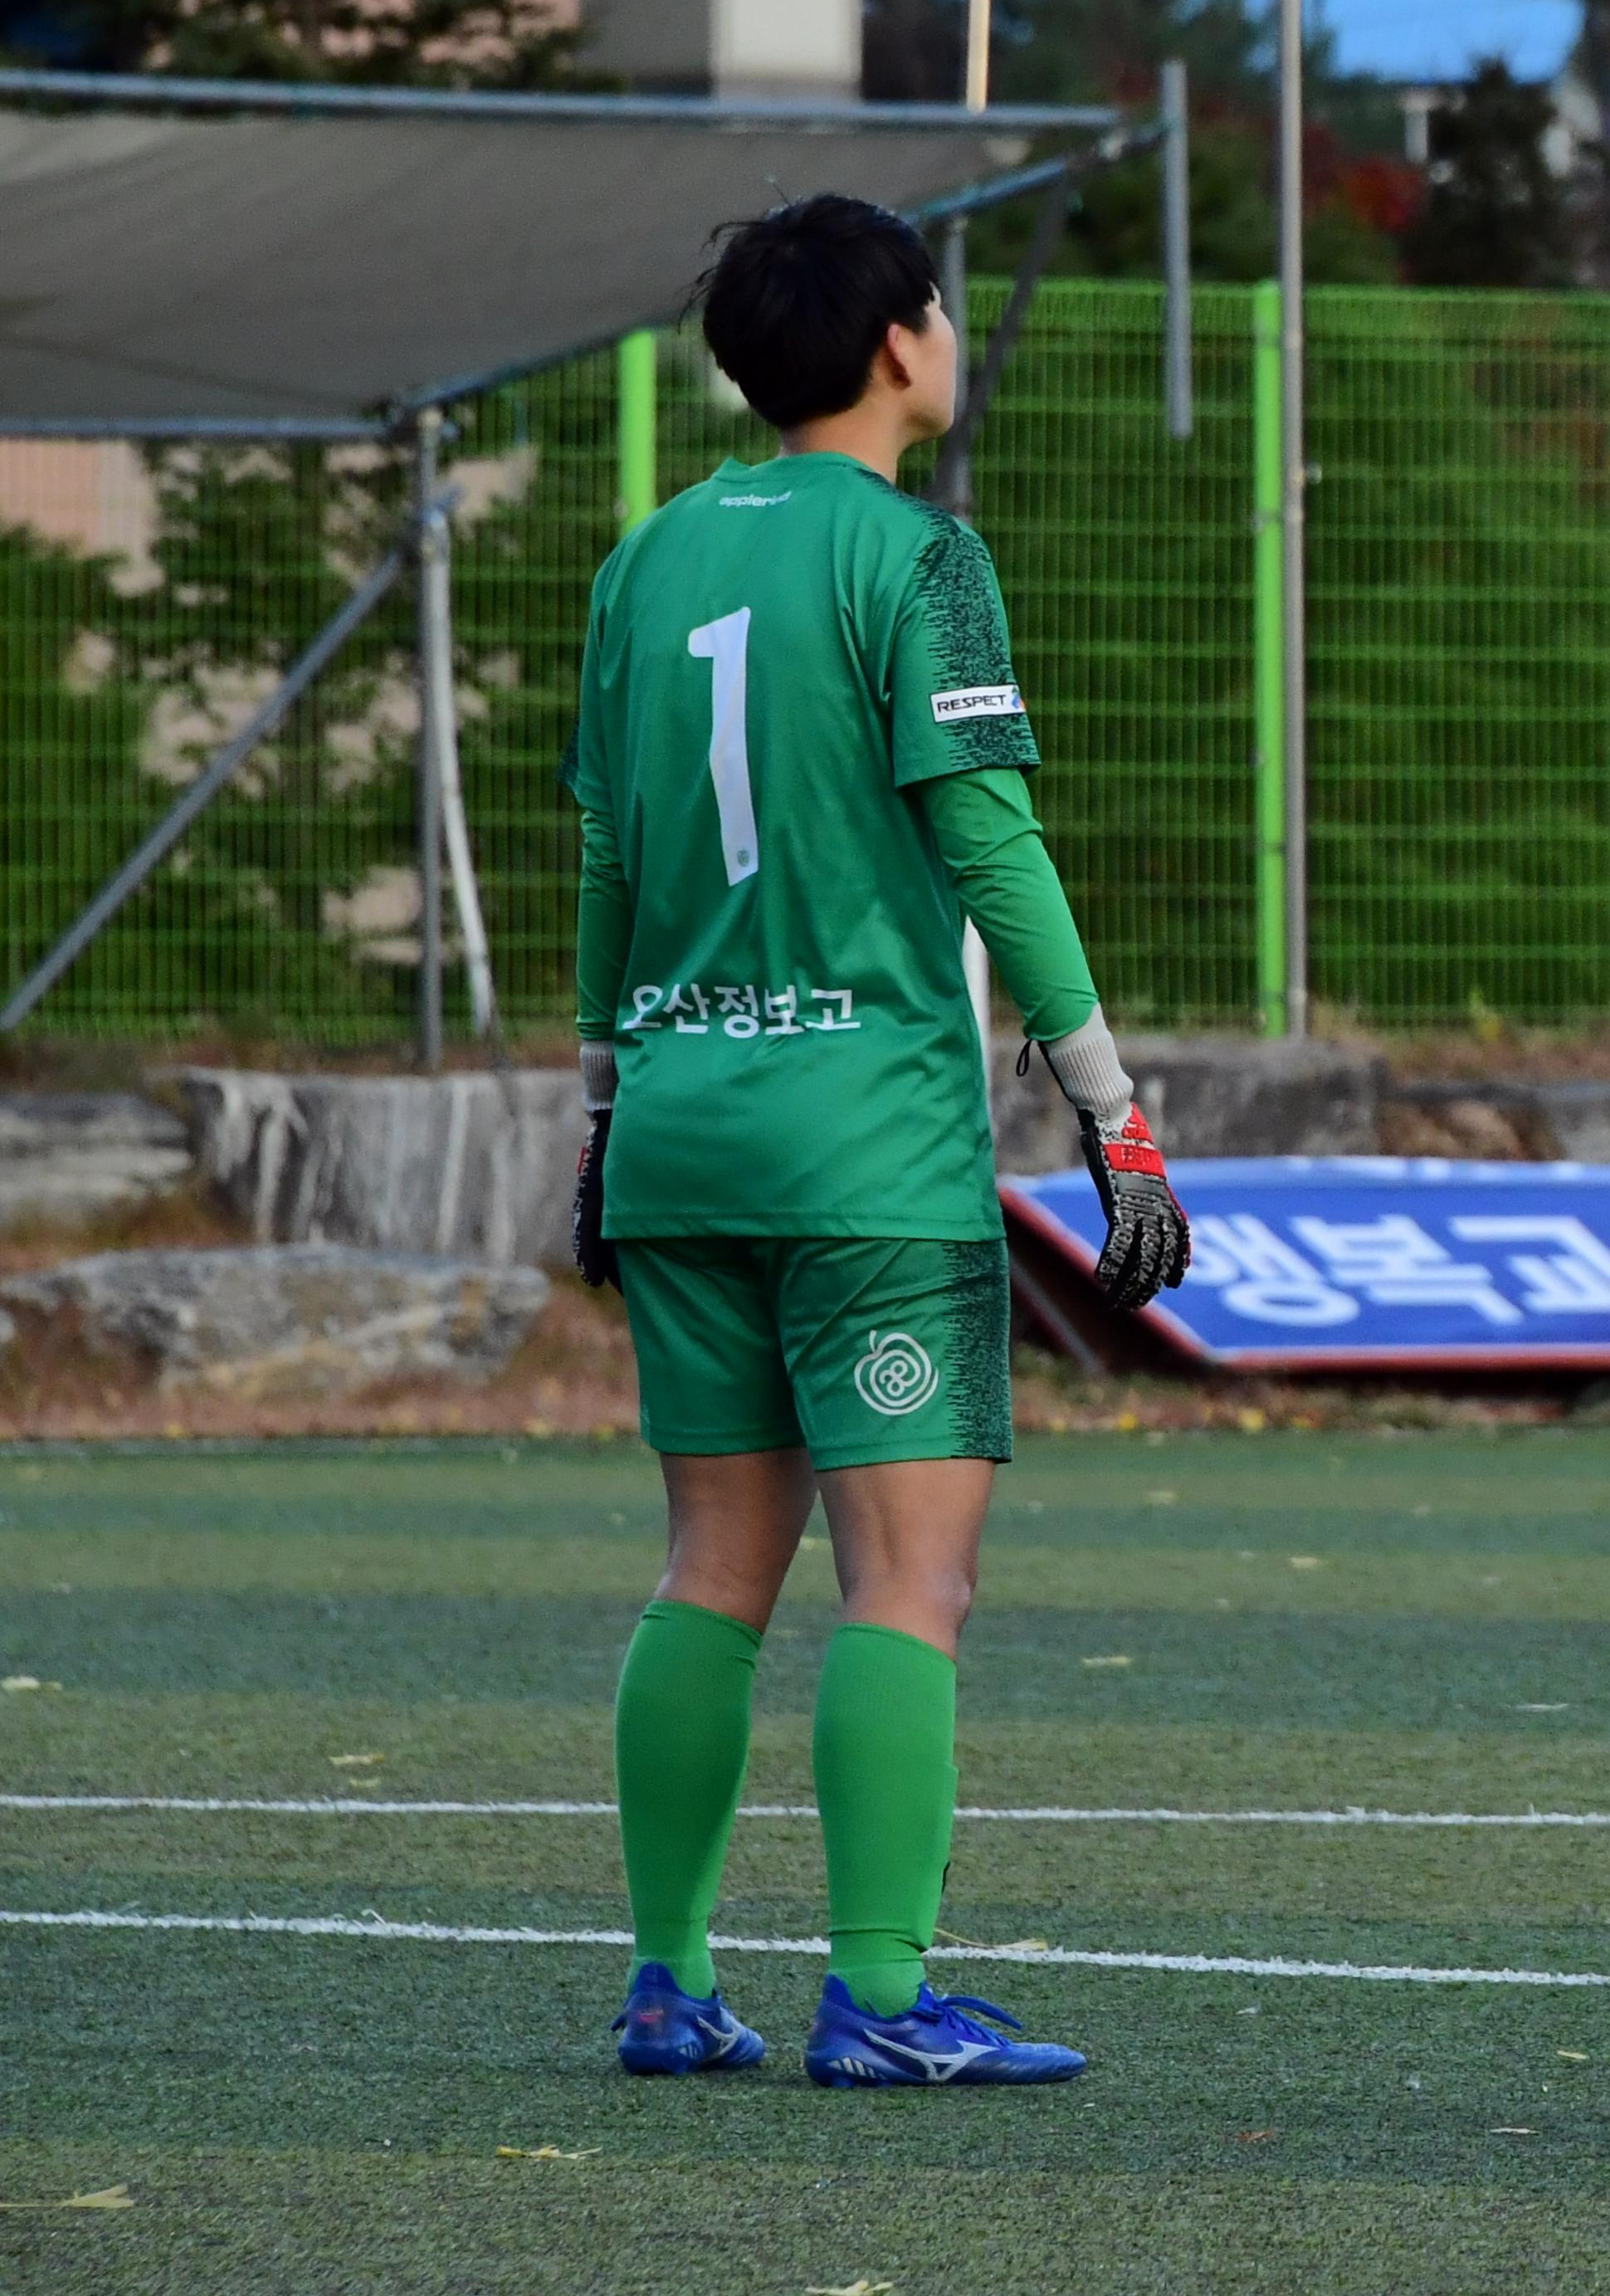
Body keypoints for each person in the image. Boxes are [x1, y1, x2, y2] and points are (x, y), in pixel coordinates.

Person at [565, 192, 1190, 2088]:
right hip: (866, 1153)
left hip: (676, 1126)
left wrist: (604, 1108)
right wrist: (1116, 1113)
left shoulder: (644, 560)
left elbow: (607, 858)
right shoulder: (922, 559)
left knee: (708, 1564)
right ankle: (886, 2000)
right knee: (908, 1579)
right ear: (907, 341)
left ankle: (669, 1983)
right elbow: (993, 849)